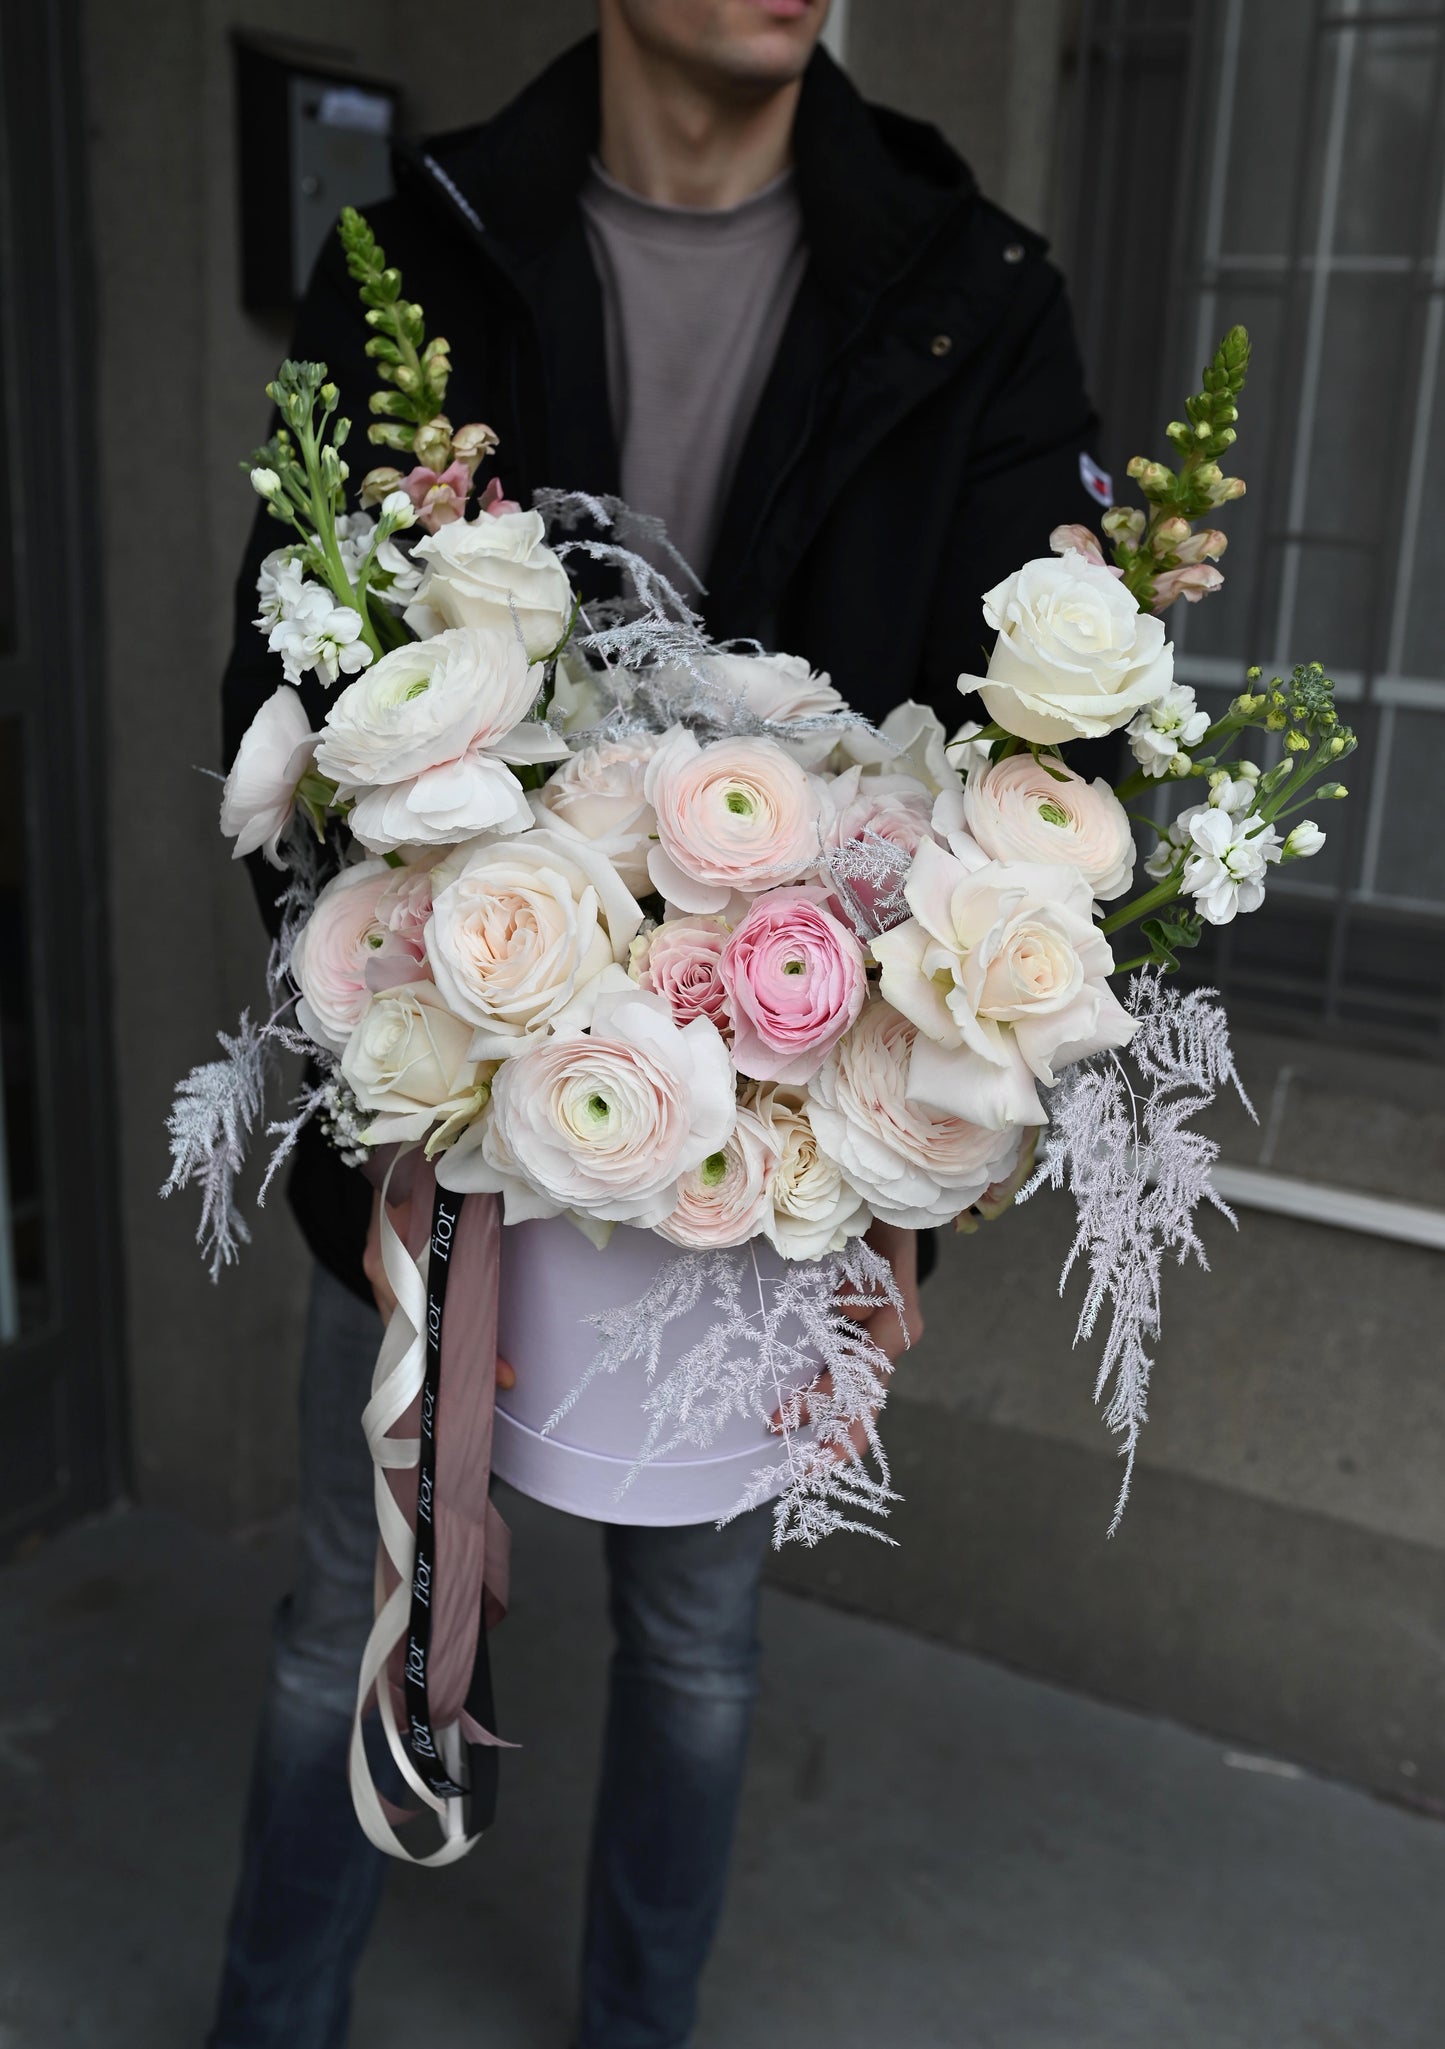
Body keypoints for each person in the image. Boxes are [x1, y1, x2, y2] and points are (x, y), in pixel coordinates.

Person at [212, 4, 1102, 2044]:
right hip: (444, 1084)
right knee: (343, 1618)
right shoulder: (427, 252)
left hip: (770, 1153)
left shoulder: (972, 291)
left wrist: (903, 1177)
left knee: (695, 1643)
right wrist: (389, 1094)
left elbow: (1021, 787)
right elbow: (287, 683)